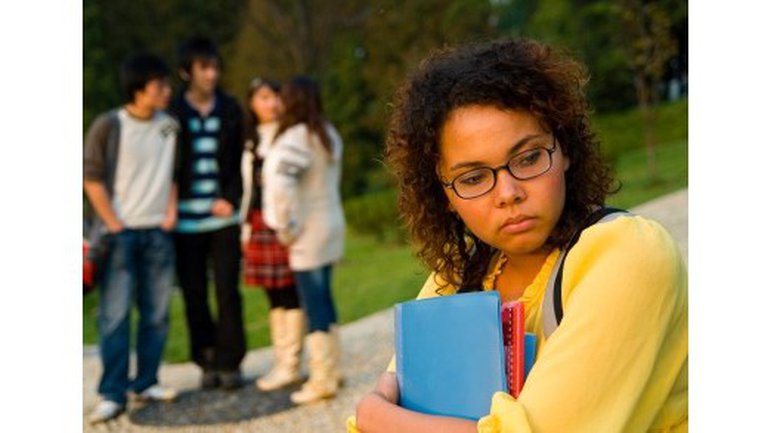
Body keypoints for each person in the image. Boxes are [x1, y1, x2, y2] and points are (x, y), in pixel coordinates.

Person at [350, 38, 687, 432]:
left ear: (564, 149)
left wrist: (376, 417)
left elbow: (379, 418)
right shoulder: (457, 279)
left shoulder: (628, 253)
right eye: (473, 178)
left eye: (528, 158)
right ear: (443, 195)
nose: (508, 193)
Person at [83, 53, 179, 423]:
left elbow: (172, 172)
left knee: (156, 314)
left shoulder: (169, 126)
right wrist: (114, 224)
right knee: (115, 316)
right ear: (138, 89)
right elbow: (91, 178)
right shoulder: (110, 125)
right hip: (119, 234)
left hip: (158, 232)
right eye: (159, 85)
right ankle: (112, 392)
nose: (167, 91)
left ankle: (147, 381)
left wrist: (170, 212)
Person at [262, 76, 346, 404]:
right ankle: (332, 371)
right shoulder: (327, 133)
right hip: (331, 225)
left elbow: (281, 188)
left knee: (314, 303)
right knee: (324, 298)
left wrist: (286, 228)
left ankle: (322, 379)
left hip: (308, 232)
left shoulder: (296, 138)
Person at [169, 36, 246, 390]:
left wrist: (230, 197)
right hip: (185, 221)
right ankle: (206, 358)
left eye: (214, 67)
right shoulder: (172, 112)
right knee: (194, 293)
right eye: (204, 68)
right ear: (187, 72)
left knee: (228, 292)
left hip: (223, 217)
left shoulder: (230, 109)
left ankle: (230, 361)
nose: (212, 74)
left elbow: (240, 160)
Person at [239, 77, 305, 391]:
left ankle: (291, 364)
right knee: (272, 294)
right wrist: (244, 227)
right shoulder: (250, 140)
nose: (272, 103)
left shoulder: (293, 134)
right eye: (264, 97)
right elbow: (247, 189)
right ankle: (281, 360)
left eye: (276, 95)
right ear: (252, 104)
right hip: (257, 221)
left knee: (290, 291)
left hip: (286, 222)